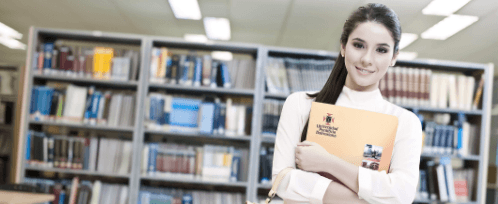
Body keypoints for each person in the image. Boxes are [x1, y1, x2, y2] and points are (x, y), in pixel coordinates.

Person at [272, 3, 422, 204]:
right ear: (343, 47)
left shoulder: (405, 122)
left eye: (381, 50)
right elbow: (283, 181)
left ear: (394, 57)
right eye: (358, 45)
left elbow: (401, 195)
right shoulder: (300, 104)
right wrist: (367, 197)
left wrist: (328, 162)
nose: (367, 59)